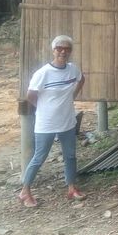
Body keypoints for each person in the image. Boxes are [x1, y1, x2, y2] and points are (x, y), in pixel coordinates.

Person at [18, 35, 86, 207]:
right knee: (39, 157)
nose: (63, 52)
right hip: (46, 123)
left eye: (67, 49)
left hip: (67, 121)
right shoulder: (43, 73)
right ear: (53, 50)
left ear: (70, 51)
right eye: (59, 48)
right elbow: (31, 95)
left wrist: (72, 97)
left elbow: (81, 79)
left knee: (70, 155)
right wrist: (44, 108)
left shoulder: (73, 69)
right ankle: (25, 191)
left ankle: (71, 187)